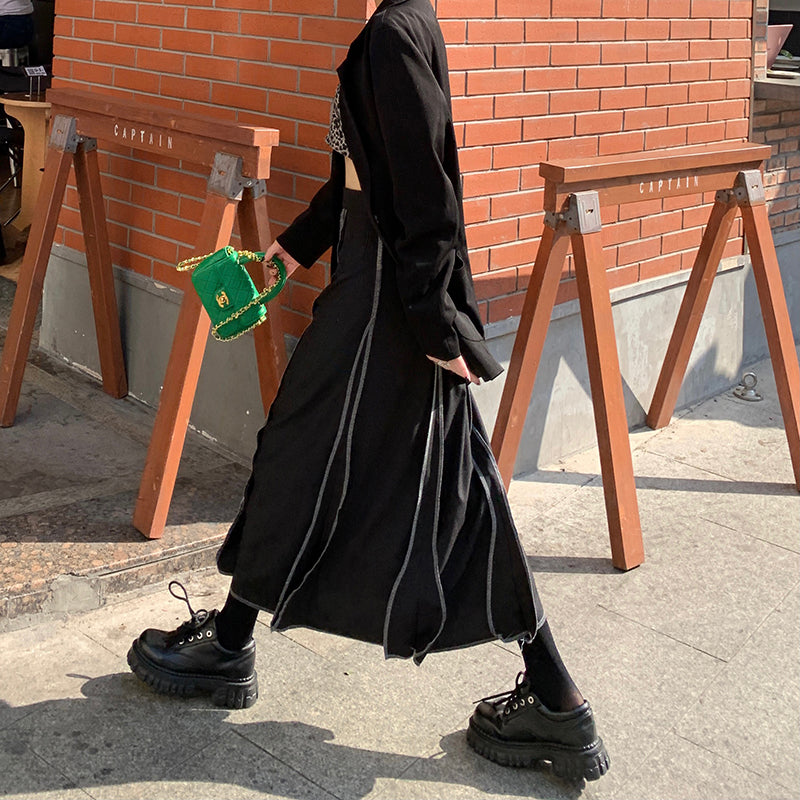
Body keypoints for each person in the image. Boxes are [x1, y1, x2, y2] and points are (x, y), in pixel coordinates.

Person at [128, 0, 609, 783]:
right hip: (380, 287)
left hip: (384, 300)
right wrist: (286, 253)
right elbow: (360, 182)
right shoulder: (400, 27)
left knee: (306, 457)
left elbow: (427, 195)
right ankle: (555, 697)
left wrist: (435, 328)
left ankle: (232, 645)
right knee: (433, 477)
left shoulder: (392, 34)